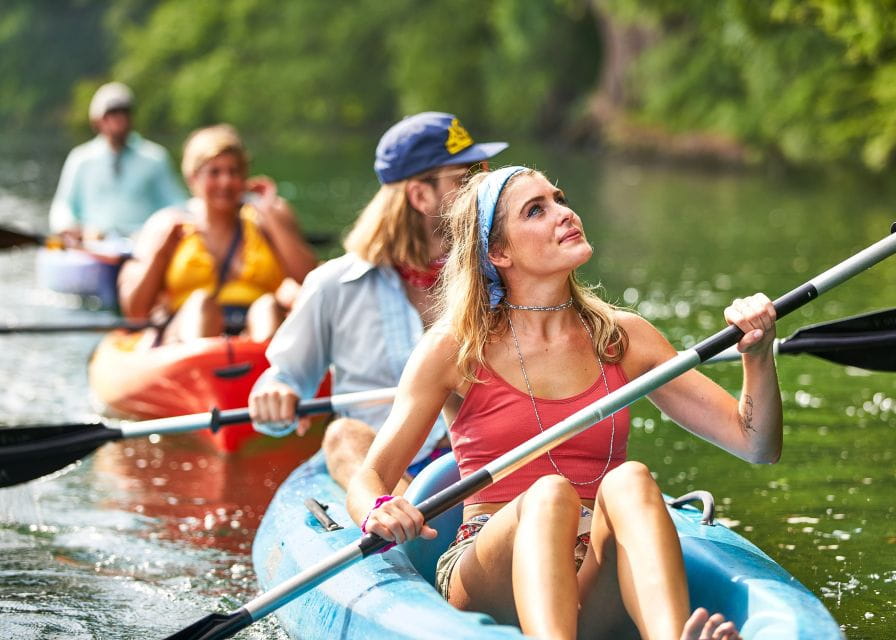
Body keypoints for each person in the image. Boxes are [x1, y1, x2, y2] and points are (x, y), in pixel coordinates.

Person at [346, 166, 781, 640]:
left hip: (591, 570)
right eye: (537, 210)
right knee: (551, 493)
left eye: (559, 198)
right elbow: (369, 478)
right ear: (499, 252)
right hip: (490, 570)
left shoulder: (622, 337)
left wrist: (756, 357)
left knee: (632, 478)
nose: (565, 214)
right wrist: (379, 509)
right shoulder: (455, 346)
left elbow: (755, 444)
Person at [249, 112, 508, 490]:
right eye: (467, 178)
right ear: (420, 195)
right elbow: (285, 378)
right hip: (385, 474)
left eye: (484, 171)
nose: (484, 188)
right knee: (343, 433)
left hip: (478, 465)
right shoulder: (332, 285)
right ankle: (394, 524)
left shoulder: (501, 275)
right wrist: (277, 393)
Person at [117, 123, 317, 344]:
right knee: (202, 305)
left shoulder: (268, 215)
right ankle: (204, 367)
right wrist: (162, 252)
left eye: (234, 171)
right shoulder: (166, 223)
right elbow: (135, 312)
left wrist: (272, 217)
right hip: (184, 331)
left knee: (267, 306)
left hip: (256, 330)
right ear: (193, 178)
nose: (226, 181)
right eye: (214, 172)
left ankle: (267, 369)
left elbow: (310, 281)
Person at [49, 82, 186, 243]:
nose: (119, 119)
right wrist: (68, 226)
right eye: (112, 113)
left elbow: (177, 203)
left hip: (143, 244)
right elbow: (63, 205)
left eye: (124, 112)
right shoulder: (80, 159)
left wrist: (158, 230)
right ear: (98, 120)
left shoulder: (155, 158)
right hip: (93, 243)